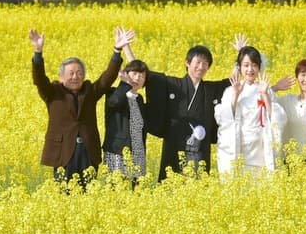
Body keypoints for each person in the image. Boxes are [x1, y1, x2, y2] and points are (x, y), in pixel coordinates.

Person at [30, 26, 133, 186]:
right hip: (63, 152)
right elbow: (39, 79)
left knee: (89, 191)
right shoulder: (52, 92)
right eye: (71, 73)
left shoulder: (89, 91)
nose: (75, 77)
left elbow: (107, 79)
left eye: (79, 73)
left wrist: (117, 51)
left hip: (88, 150)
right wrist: (38, 53)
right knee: (63, 193)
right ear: (61, 76)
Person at [144, 36, 243, 180]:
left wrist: (240, 55)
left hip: (199, 150)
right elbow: (144, 75)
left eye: (205, 64)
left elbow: (232, 80)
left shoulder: (209, 89)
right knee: (171, 182)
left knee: (198, 183)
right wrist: (126, 49)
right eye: (198, 62)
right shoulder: (173, 84)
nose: (201, 67)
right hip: (174, 145)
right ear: (187, 63)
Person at [214, 45, 287, 178]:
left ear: (259, 67)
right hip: (238, 148)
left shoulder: (266, 89)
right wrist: (235, 94)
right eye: (246, 65)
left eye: (254, 65)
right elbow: (223, 119)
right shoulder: (230, 91)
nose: (250, 69)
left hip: (261, 150)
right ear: (240, 67)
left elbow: (277, 119)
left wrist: (265, 94)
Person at [103, 58, 150, 184]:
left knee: (137, 192)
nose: (138, 78)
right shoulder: (114, 93)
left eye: (142, 76)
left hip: (138, 152)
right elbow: (115, 102)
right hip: (117, 152)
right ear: (126, 75)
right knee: (115, 191)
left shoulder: (139, 99)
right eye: (134, 74)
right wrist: (124, 84)